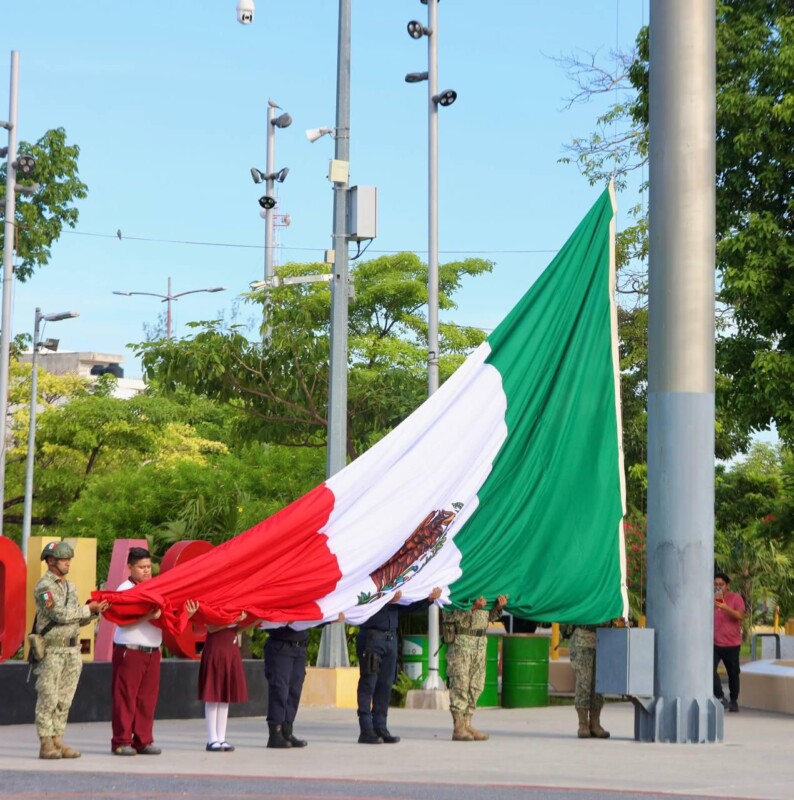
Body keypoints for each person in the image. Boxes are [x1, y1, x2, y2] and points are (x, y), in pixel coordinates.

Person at [110, 546, 198, 755]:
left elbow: (169, 618)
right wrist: (148, 617)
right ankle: (121, 741)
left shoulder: (157, 588)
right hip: (129, 650)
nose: (146, 571)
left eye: (149, 567)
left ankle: (143, 740)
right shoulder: (124, 590)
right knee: (126, 698)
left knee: (147, 699)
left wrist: (186, 614)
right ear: (130, 567)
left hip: (151, 650)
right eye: (141, 567)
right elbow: (123, 621)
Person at [33, 541, 109, 760]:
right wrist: (87, 609)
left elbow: (74, 620)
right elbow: (58, 614)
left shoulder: (70, 587)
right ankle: (46, 742)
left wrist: (95, 613)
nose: (67, 563)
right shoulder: (44, 587)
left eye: (68, 560)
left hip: (72, 650)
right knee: (48, 697)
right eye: (63, 560)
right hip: (52, 652)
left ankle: (58, 740)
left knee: (64, 699)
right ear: (50, 561)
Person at [356, 587, 442, 744]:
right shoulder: (369, 576)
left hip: (391, 638)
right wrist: (384, 599)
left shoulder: (395, 580)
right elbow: (358, 602)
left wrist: (428, 600)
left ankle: (380, 726)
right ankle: (366, 728)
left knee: (385, 684)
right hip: (372, 636)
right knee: (369, 683)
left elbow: (406, 606)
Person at [443, 594, 507, 742]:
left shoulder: (484, 588)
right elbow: (450, 618)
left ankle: (467, 724)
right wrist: (472, 608)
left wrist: (497, 608)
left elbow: (488, 617)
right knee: (460, 684)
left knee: (476, 685)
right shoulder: (459, 589)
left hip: (480, 643)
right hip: (461, 642)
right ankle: (458, 727)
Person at [200, 611, 254, 752]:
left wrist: (250, 621)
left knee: (225, 696)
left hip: (231, 648)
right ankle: (212, 738)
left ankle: (221, 737)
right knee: (213, 694)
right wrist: (233, 618)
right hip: (216, 649)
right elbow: (211, 628)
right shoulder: (215, 603)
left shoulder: (234, 604)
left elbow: (235, 628)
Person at [262, 623, 310, 749]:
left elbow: (313, 617)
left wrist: (330, 618)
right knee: (279, 690)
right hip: (281, 645)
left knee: (295, 690)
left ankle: (287, 731)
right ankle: (275, 734)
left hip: (299, 647)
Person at [569, 625, 610, 739]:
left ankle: (595, 723)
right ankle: (583, 724)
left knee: (599, 684)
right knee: (584, 683)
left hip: (603, 638)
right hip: (583, 638)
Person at [713, 571, 745, 713]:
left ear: (727, 585)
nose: (718, 586)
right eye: (715, 584)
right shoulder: (710, 598)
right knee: (709, 670)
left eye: (721, 584)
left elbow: (740, 615)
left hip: (732, 643)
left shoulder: (735, 598)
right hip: (714, 643)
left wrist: (725, 607)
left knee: (733, 673)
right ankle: (720, 696)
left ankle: (733, 700)